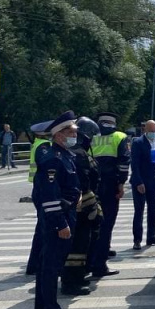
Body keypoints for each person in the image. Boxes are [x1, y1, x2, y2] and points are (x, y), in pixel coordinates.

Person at [31, 111, 82, 309]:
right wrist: (61, 223)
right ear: (59, 134)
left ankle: (42, 308)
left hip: (63, 214)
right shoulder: (53, 159)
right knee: (51, 267)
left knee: (48, 265)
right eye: (71, 132)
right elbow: (48, 196)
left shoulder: (64, 156)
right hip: (57, 219)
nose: (74, 136)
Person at [62, 116, 101, 295]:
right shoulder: (79, 155)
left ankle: (76, 277)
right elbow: (86, 184)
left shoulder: (73, 152)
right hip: (80, 211)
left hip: (77, 209)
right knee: (77, 248)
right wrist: (93, 207)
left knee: (79, 246)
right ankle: (71, 283)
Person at [91, 112, 131, 263]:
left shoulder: (92, 136)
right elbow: (123, 163)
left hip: (92, 184)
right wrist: (121, 183)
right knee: (107, 221)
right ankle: (100, 260)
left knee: (95, 219)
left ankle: (99, 250)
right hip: (110, 183)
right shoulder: (119, 137)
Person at [24, 118, 53, 276]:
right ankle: (35, 264)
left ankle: (34, 264)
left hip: (38, 188)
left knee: (41, 228)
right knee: (43, 229)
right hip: (42, 190)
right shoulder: (43, 146)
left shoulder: (39, 144)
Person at [130, 119, 155, 248]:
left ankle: (151, 236)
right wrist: (139, 182)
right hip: (140, 182)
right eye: (151, 131)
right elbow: (135, 164)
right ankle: (137, 240)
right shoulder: (138, 143)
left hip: (154, 181)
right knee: (139, 211)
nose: (153, 133)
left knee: (152, 210)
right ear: (145, 130)